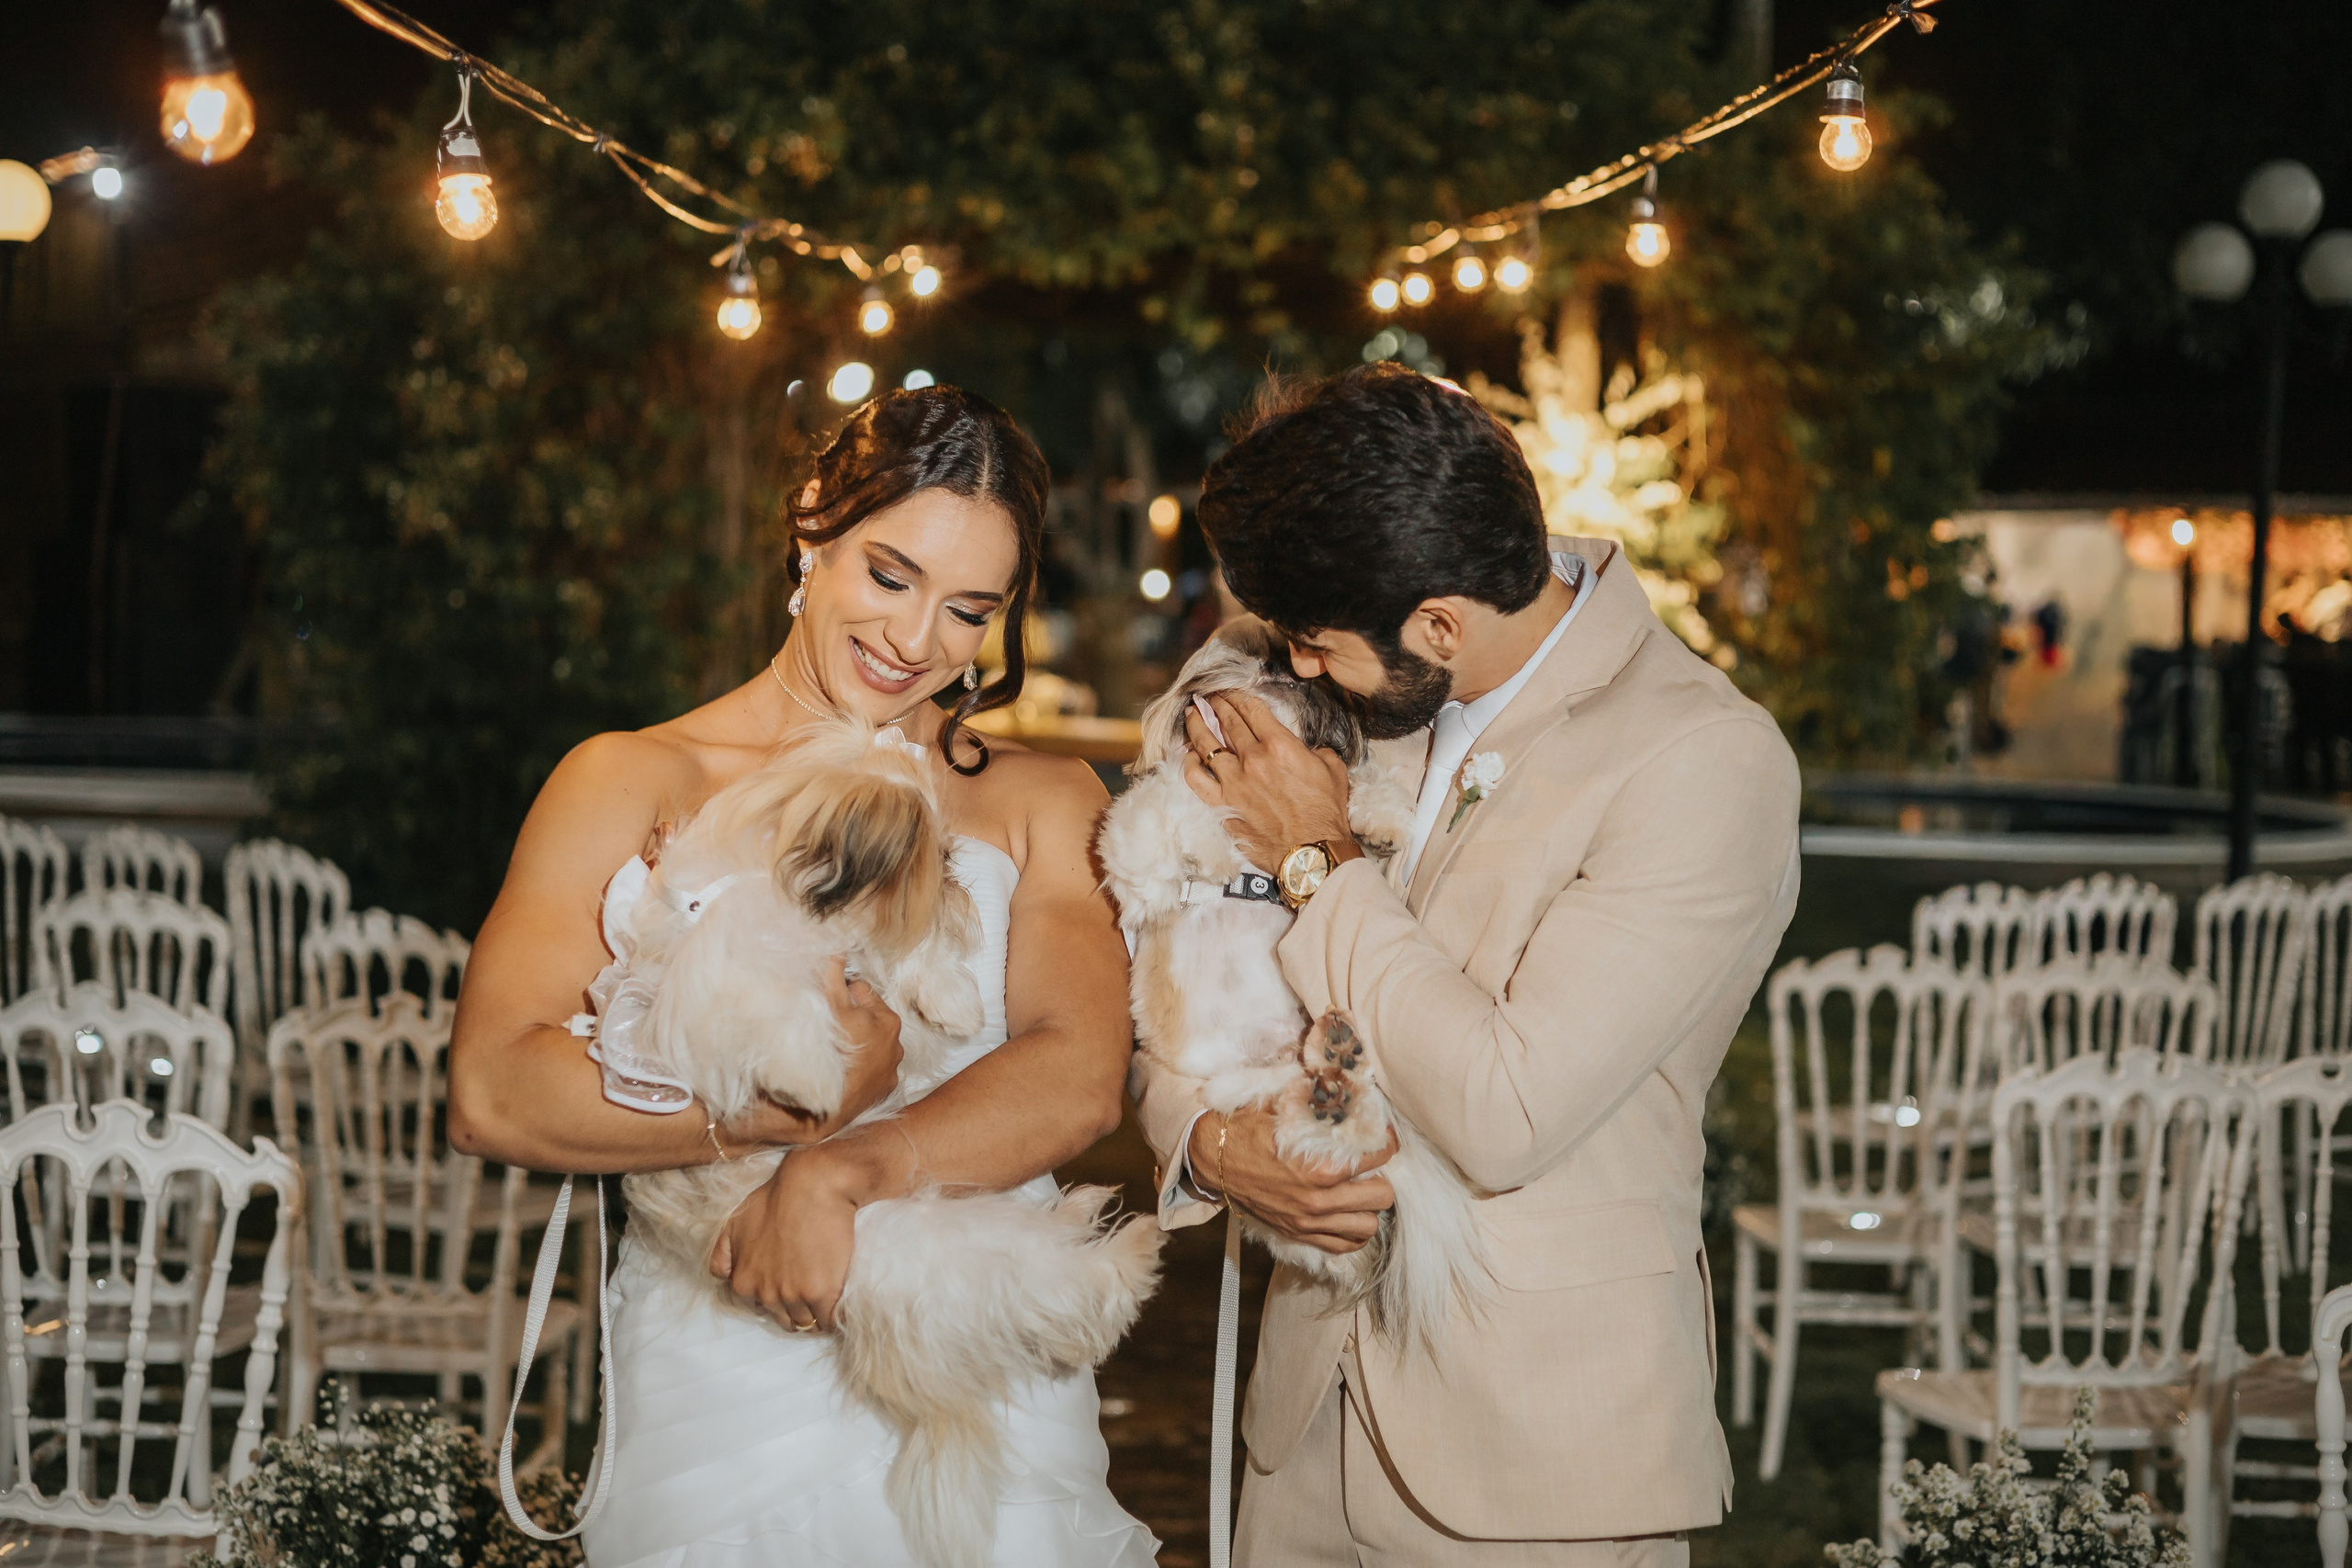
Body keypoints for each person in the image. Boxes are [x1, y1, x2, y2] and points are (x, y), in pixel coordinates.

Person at [449, 385, 1158, 1567]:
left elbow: (1080, 1075)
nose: (916, 640)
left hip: (977, 1367)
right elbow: (492, 1092)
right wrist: (782, 1116)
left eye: (967, 610)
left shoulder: (1042, 800)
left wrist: (836, 1173)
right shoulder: (633, 777)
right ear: (814, 522)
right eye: (890, 575)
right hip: (715, 1363)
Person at [1129, 362, 1801, 1566]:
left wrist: (1317, 861)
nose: (1299, 668)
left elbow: (1505, 1108)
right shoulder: (1337, 689)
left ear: (1440, 623)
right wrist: (1213, 1144)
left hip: (1539, 1464)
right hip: (1302, 1430)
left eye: (1317, 645)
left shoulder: (1701, 758)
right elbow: (1179, 972)